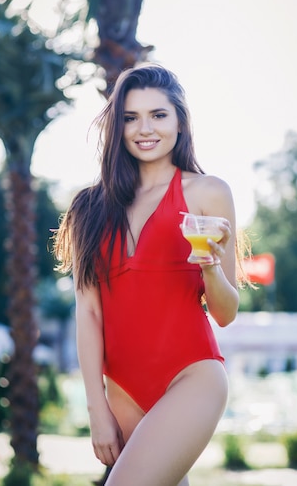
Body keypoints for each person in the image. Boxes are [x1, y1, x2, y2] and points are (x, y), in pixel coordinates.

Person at [54, 63, 248, 486]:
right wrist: (97, 409)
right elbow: (88, 314)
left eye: (158, 115)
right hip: (121, 387)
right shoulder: (89, 207)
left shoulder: (208, 192)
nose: (145, 128)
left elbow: (226, 312)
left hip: (192, 375)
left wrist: (211, 267)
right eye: (130, 117)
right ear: (118, 127)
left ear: (180, 121)